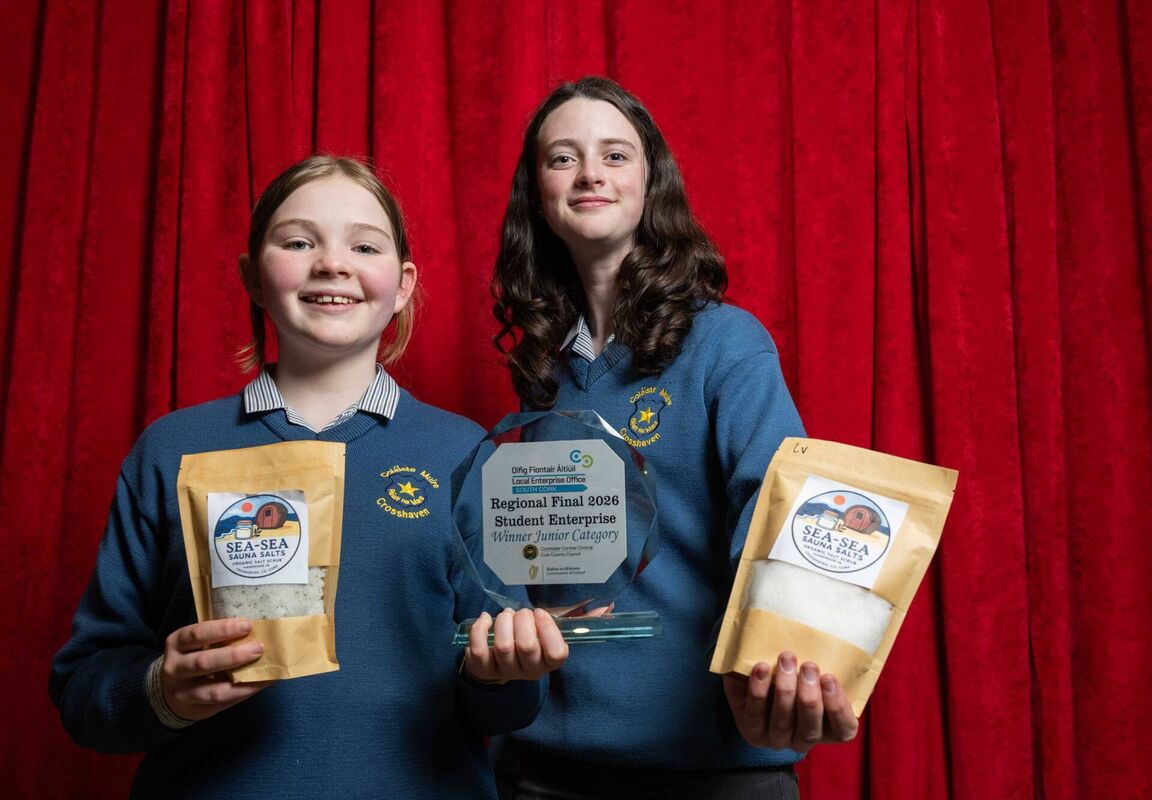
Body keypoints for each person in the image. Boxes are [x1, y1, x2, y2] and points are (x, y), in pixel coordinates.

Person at [51, 155, 566, 798]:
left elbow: (510, 707)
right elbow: (84, 688)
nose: (332, 264)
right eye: (299, 241)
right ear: (254, 277)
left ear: (402, 284)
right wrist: (162, 690)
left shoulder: (464, 452)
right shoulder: (172, 449)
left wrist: (503, 677)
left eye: (364, 245)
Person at [490, 77, 859, 798]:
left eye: (614, 155)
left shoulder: (726, 344)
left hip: (710, 768)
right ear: (537, 194)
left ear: (650, 184)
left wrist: (802, 676)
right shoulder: (540, 371)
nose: (590, 172)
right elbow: (538, 557)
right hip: (548, 769)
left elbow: (777, 518)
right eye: (562, 158)